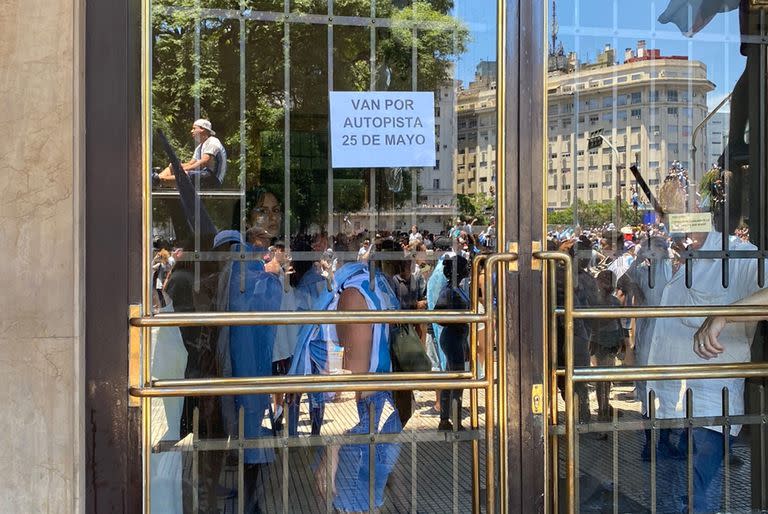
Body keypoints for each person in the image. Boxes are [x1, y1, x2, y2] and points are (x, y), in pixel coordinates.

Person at [288, 262, 402, 513]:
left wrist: (333, 449)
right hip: (377, 413)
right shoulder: (375, 285)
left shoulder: (351, 296)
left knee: (341, 501)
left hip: (358, 424)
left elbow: (354, 380)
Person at [434, 255, 471, 431]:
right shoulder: (449, 291)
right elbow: (439, 315)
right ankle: (451, 419)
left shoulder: (458, 289)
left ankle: (447, 418)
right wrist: (456, 320)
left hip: (459, 338)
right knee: (456, 380)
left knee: (453, 378)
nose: (467, 269)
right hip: (452, 337)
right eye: (465, 267)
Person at [155, 119, 227, 188]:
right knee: (172, 166)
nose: (191, 131)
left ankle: (157, 180)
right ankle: (157, 178)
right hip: (203, 174)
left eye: (194, 128)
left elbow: (203, 163)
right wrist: (176, 166)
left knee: (185, 175)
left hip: (213, 178)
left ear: (203, 129)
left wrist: (181, 169)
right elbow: (191, 163)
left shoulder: (213, 142)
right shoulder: (200, 147)